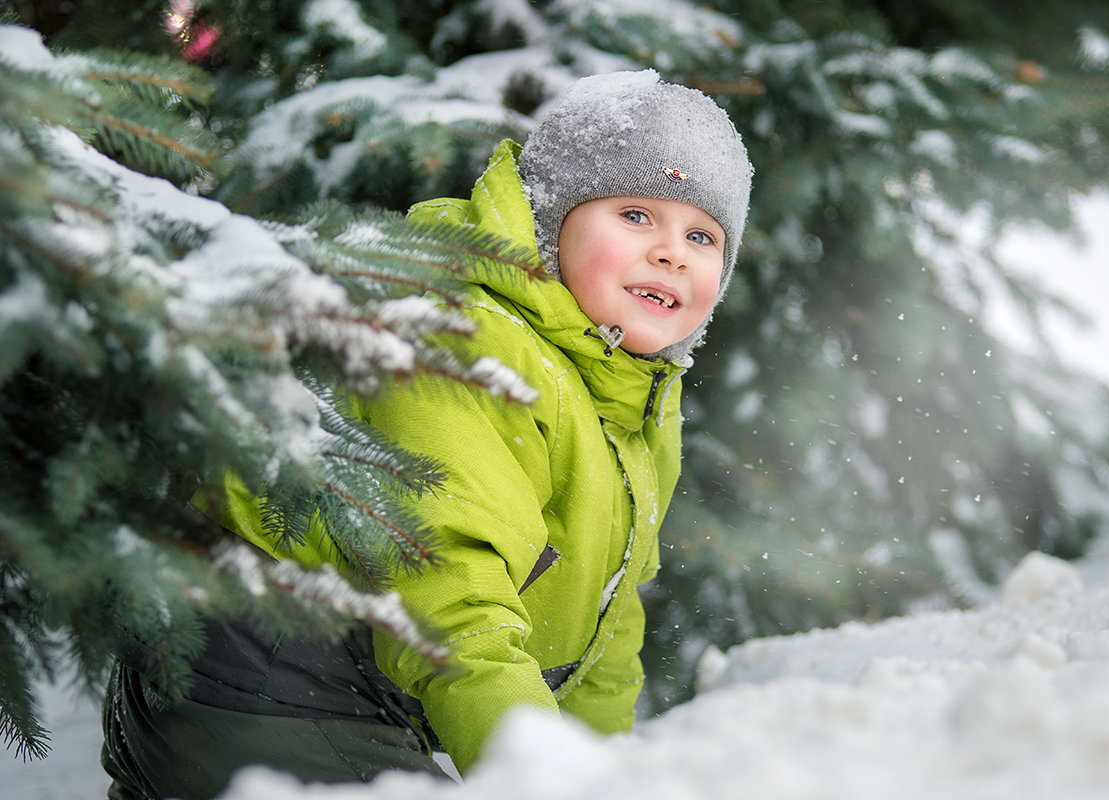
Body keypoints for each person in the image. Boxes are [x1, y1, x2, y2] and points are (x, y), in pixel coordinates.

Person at [101, 69, 753, 799]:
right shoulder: (466, 344)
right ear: (548, 222)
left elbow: (607, 632)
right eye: (636, 215)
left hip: (341, 696)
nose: (672, 252)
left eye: (703, 235)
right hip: (261, 685)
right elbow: (452, 599)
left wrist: (599, 777)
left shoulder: (629, 401)